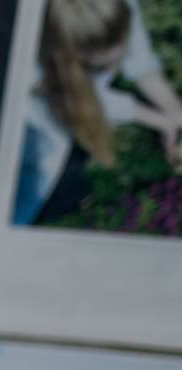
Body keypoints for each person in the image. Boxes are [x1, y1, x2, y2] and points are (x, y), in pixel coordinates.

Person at [15, 0, 182, 225]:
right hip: (32, 142)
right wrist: (160, 120)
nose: (112, 71)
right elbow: (74, 97)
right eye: (99, 68)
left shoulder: (112, 7)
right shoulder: (28, 44)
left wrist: (175, 115)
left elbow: (141, 66)